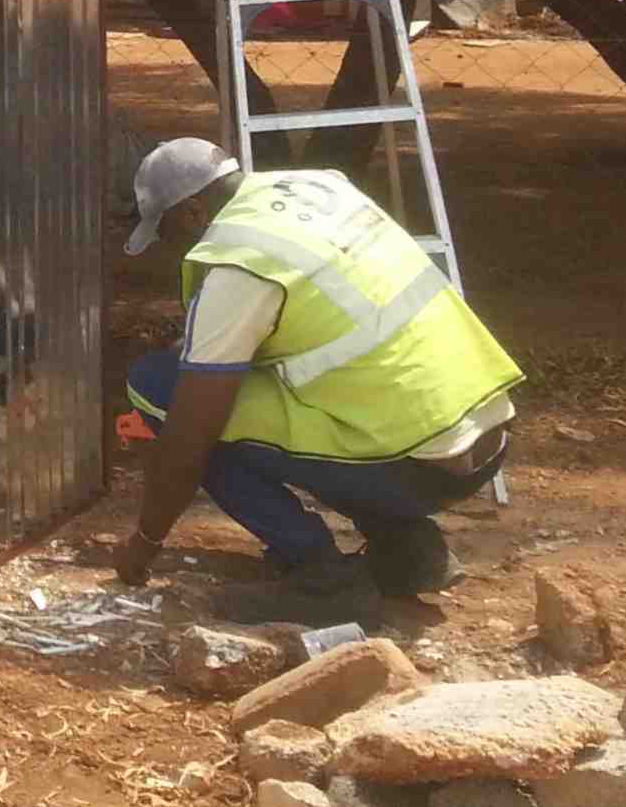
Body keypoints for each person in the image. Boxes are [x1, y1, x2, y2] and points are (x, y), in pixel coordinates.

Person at [107, 138, 522, 624]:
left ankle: (323, 578)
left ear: (194, 212)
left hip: (415, 464)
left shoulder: (240, 263)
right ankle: (408, 549)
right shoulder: (318, 187)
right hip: (482, 434)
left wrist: (144, 544)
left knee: (160, 389)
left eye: (167, 233)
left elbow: (189, 437)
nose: (173, 250)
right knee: (321, 390)